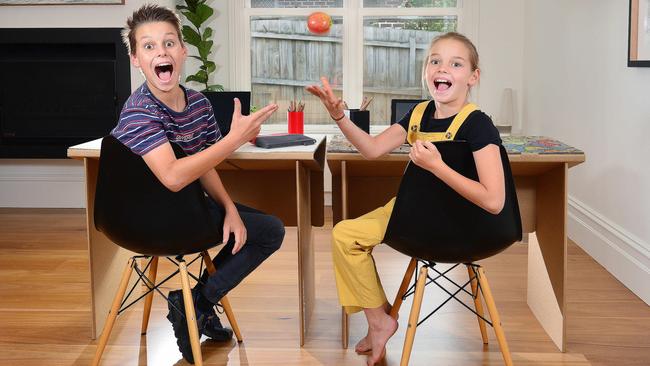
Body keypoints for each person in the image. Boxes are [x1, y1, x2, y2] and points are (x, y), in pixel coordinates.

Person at [306, 32, 505, 365]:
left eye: (456, 63)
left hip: (456, 222)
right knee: (343, 234)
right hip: (412, 212)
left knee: (347, 235)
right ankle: (379, 320)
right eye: (435, 61)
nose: (443, 68)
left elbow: (494, 201)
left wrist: (437, 165)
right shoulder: (418, 114)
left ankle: (381, 322)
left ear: (473, 77)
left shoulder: (478, 125)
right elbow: (371, 150)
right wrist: (339, 116)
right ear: (427, 71)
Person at [113, 4, 283, 363]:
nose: (161, 51)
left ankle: (196, 302)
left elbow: (205, 167)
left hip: (188, 208)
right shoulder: (139, 111)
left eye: (169, 43)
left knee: (267, 230)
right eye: (148, 46)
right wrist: (233, 141)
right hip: (147, 220)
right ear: (135, 60)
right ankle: (198, 305)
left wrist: (230, 209)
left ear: (183, 51)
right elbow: (174, 177)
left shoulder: (199, 104)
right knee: (264, 230)